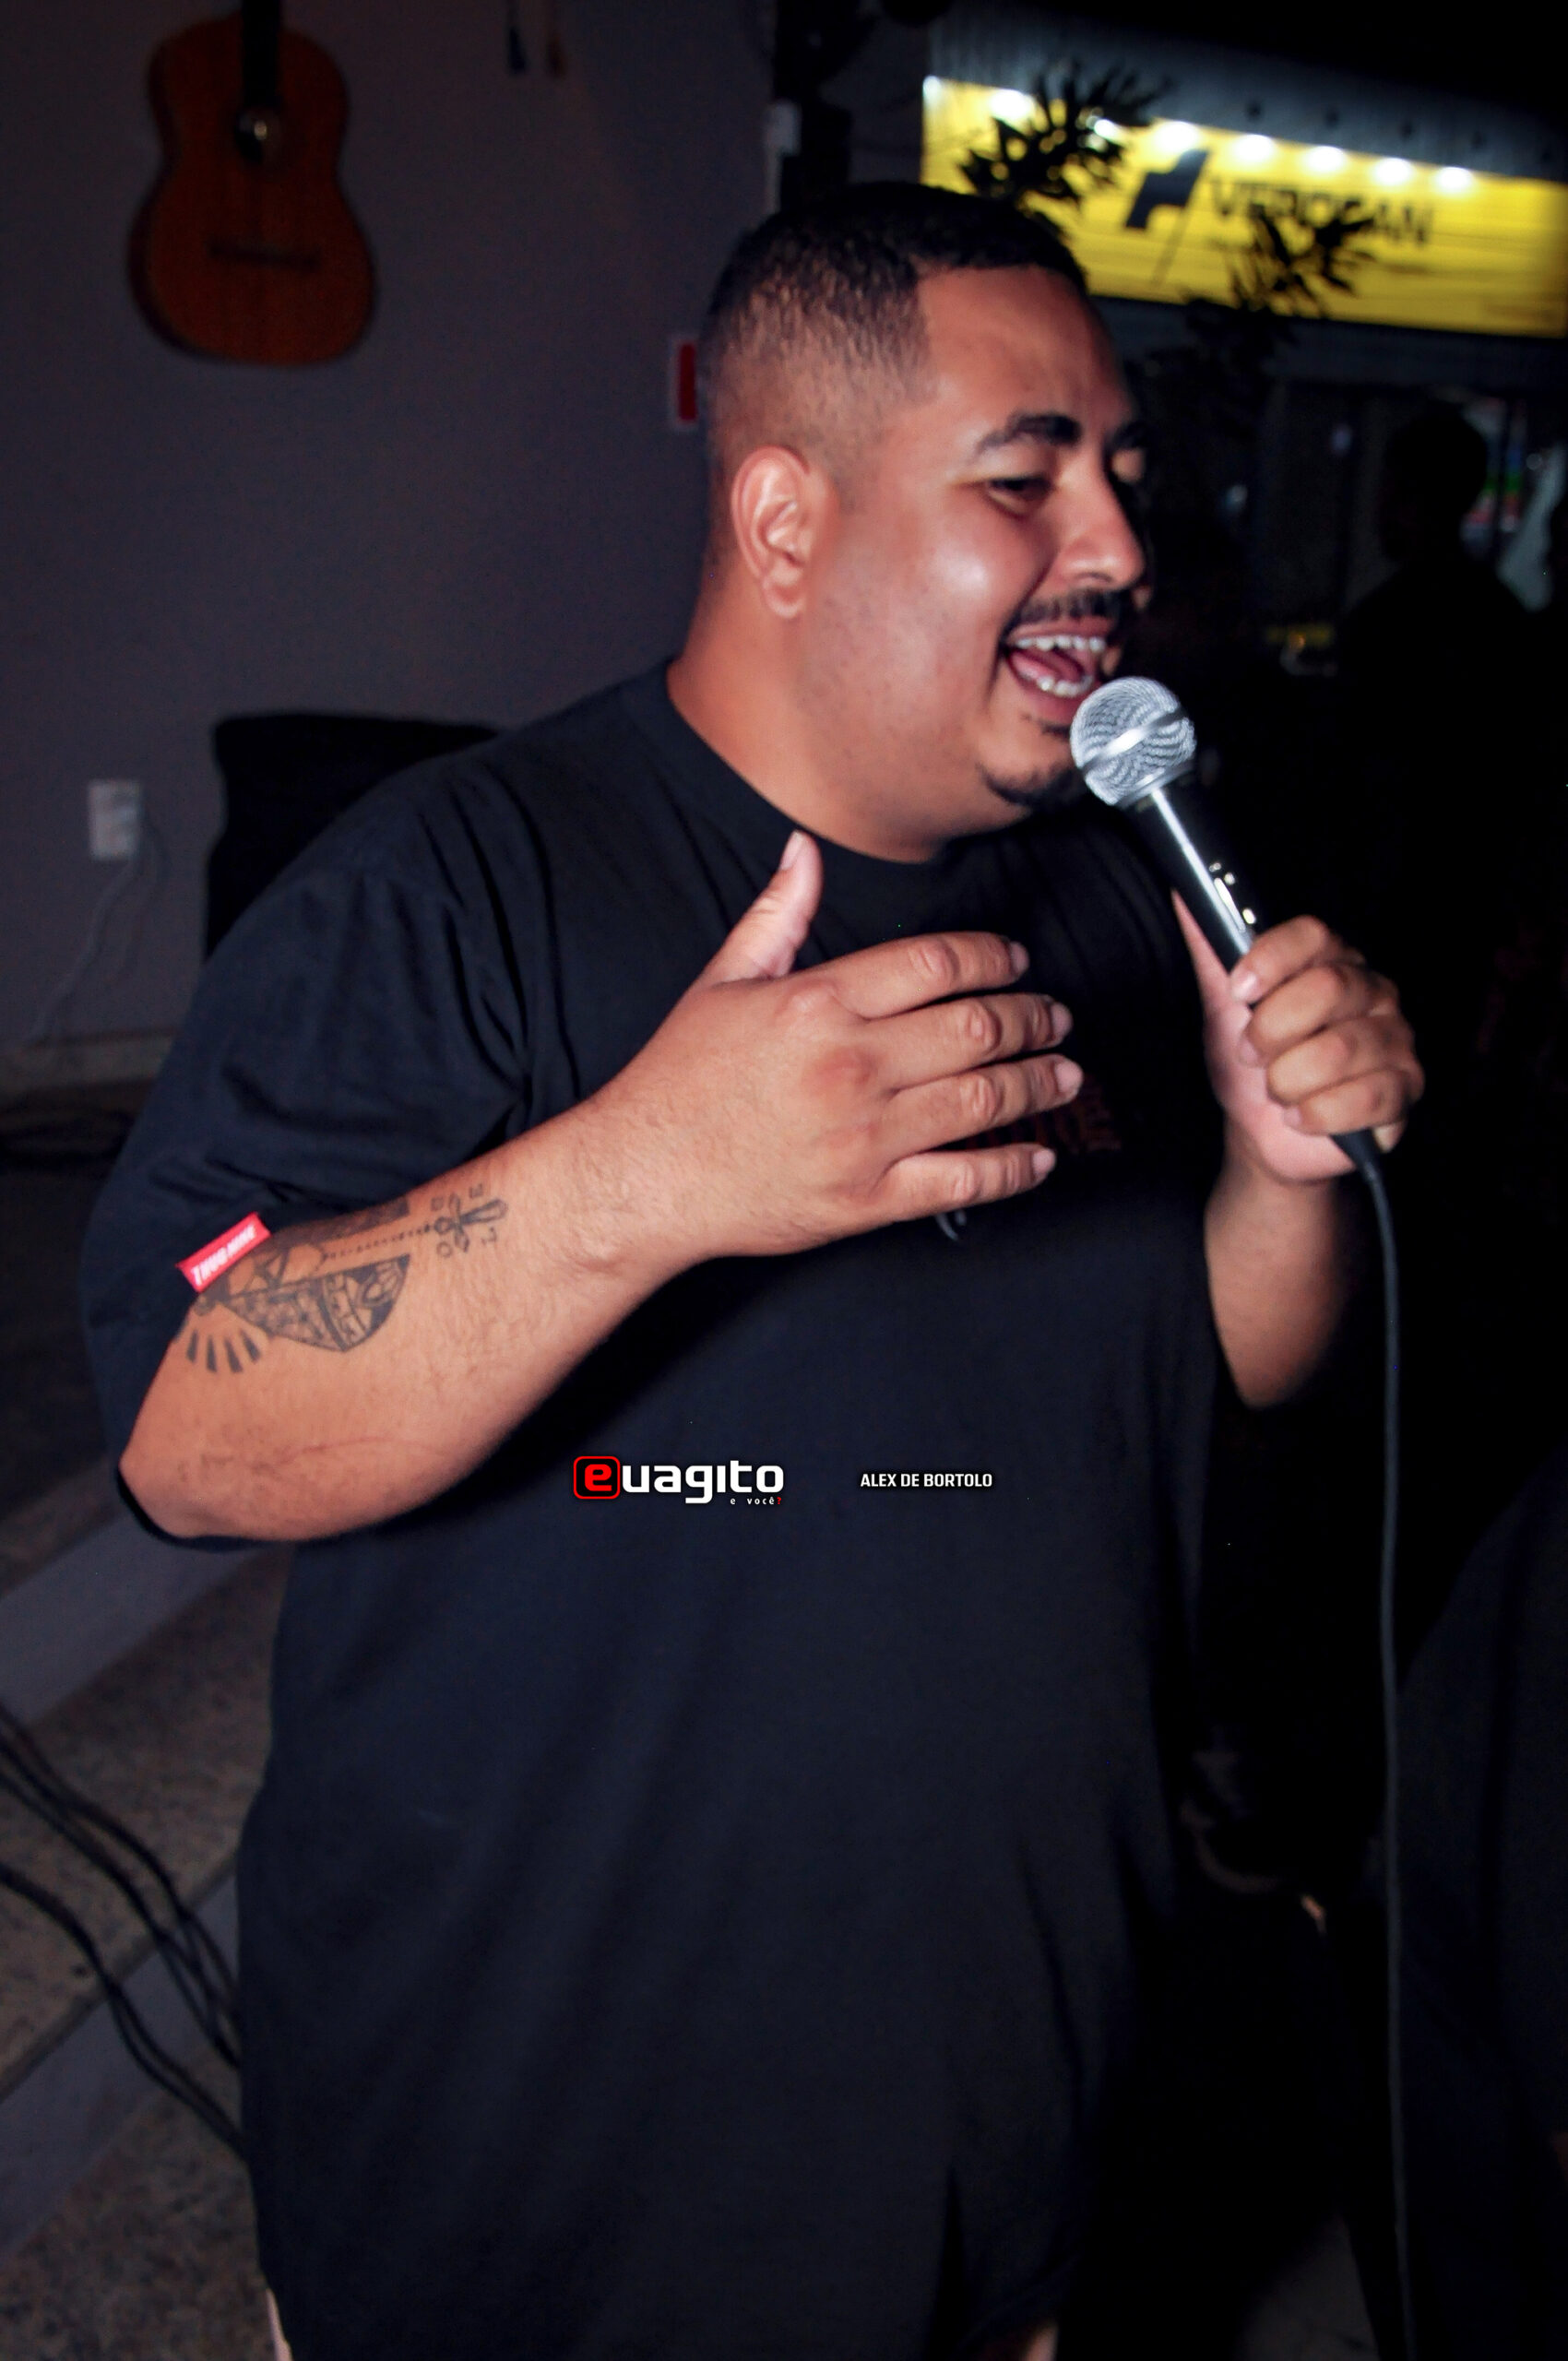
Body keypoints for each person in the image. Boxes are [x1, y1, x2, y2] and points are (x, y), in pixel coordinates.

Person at [81, 187, 1420, 2361]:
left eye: (1118, 471)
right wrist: (645, 1176)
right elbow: (183, 1422)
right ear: (786, 518)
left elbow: (1203, 1366)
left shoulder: (1106, 893)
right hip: (548, 2219)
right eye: (1024, 477)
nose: (1112, 543)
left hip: (1004, 2173)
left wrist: (1280, 1183)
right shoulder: (456, 888)